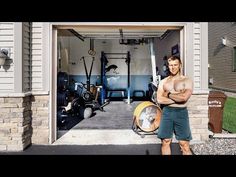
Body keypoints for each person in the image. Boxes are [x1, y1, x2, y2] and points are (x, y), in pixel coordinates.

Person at [156, 56, 193, 155]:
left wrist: (168, 94)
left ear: (180, 65)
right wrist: (178, 99)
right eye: (171, 65)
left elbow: (184, 97)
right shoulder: (163, 82)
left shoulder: (187, 80)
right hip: (167, 113)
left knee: (184, 143)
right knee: (165, 141)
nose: (173, 67)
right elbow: (159, 99)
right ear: (168, 66)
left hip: (181, 113)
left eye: (175, 65)